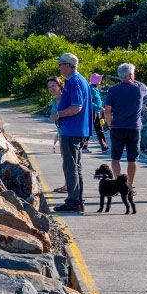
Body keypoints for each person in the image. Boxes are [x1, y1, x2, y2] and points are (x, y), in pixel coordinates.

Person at [52, 53, 91, 213]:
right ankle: (77, 200)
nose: (59, 67)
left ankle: (73, 201)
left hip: (72, 130)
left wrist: (59, 114)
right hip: (78, 130)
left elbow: (76, 107)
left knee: (70, 166)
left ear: (68, 65)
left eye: (61, 64)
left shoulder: (74, 82)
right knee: (76, 166)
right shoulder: (79, 80)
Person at [103, 62, 147, 190]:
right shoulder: (140, 88)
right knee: (132, 159)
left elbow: (107, 111)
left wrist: (110, 124)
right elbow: (145, 87)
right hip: (134, 127)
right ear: (131, 74)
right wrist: (133, 78)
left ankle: (118, 183)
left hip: (117, 127)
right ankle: (129, 185)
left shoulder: (112, 90)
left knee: (115, 158)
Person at [84, 73, 108, 152]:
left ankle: (104, 146)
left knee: (99, 129)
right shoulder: (91, 89)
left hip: (97, 112)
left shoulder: (95, 88)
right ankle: (84, 146)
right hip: (92, 112)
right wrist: (99, 107)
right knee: (89, 129)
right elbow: (89, 101)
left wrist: (100, 108)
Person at [47, 77, 63, 152]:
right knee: (65, 158)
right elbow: (53, 114)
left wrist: (58, 115)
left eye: (53, 85)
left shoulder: (66, 98)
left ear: (59, 85)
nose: (51, 88)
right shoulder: (54, 100)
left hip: (69, 132)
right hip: (60, 131)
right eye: (49, 87)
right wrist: (52, 116)